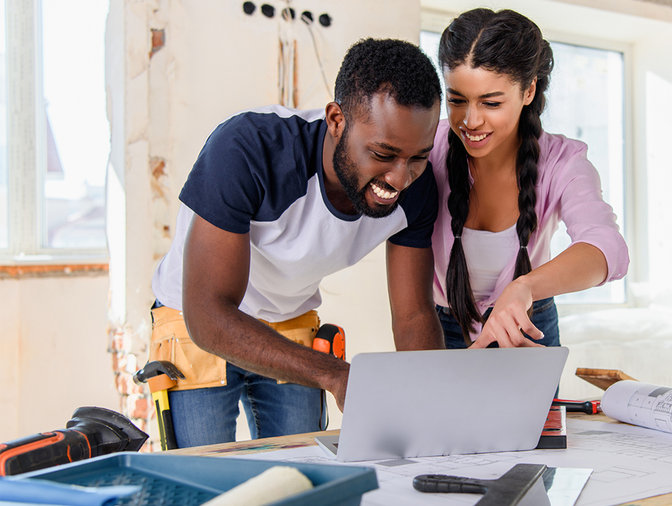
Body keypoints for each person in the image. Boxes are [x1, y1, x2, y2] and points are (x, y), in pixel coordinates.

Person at [148, 38, 445, 448]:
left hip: (289, 318)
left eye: (417, 157)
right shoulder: (247, 149)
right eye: (382, 153)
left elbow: (413, 315)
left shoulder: (418, 187)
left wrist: (433, 407)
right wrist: (335, 374)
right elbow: (209, 312)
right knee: (204, 476)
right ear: (336, 120)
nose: (399, 178)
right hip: (195, 318)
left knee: (301, 477)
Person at [430, 8, 630, 349]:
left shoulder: (563, 162)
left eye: (491, 102)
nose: (470, 120)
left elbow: (608, 249)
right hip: (441, 325)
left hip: (527, 324)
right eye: (457, 100)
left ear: (528, 91)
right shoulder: (428, 147)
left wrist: (525, 288)